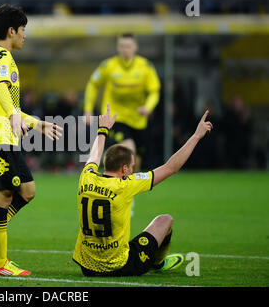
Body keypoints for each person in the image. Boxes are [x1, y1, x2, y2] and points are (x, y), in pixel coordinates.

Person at [0, 4, 63, 277]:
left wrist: (36, 123)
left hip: (4, 135)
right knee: (4, 194)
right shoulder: (1, 56)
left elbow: (6, 102)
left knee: (28, 191)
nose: (25, 36)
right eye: (23, 30)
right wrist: (13, 116)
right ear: (11, 31)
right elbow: (0, 89)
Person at [72, 104, 213, 277]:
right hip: (119, 266)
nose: (133, 170)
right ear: (124, 169)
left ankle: (151, 260)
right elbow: (170, 168)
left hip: (88, 266)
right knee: (165, 220)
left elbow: (94, 155)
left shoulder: (86, 177)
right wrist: (196, 136)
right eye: (131, 166)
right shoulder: (126, 185)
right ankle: (158, 263)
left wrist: (102, 129)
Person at [84, 33, 160, 171]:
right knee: (128, 150)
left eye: (128, 46)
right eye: (122, 46)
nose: (125, 49)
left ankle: (130, 189)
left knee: (135, 161)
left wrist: (148, 107)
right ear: (118, 47)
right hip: (115, 117)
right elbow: (92, 84)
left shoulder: (145, 67)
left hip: (138, 120)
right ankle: (119, 186)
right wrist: (88, 110)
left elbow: (154, 91)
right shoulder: (108, 66)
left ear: (135, 47)